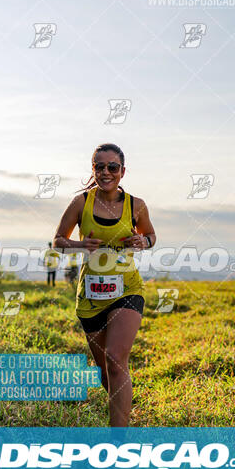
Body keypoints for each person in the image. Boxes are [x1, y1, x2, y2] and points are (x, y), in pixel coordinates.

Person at [53, 143, 156, 427]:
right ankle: (123, 410)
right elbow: (58, 241)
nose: (106, 172)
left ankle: (118, 443)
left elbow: (151, 235)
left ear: (123, 171)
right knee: (104, 371)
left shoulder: (137, 205)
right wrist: (79, 244)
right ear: (93, 169)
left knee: (114, 359)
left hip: (127, 289)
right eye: (100, 166)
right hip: (90, 294)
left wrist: (142, 241)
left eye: (112, 167)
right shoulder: (80, 203)